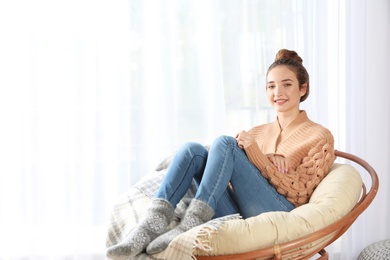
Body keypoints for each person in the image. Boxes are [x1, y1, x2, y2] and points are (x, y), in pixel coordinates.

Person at [106, 49, 336, 258]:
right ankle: (148, 228)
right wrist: (261, 158)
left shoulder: (319, 136)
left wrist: (256, 155)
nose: (278, 92)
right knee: (192, 150)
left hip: (279, 213)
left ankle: (191, 222)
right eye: (271, 86)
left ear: (302, 88)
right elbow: (234, 178)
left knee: (225, 143)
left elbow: (300, 193)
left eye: (286, 84)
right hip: (237, 210)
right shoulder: (256, 132)